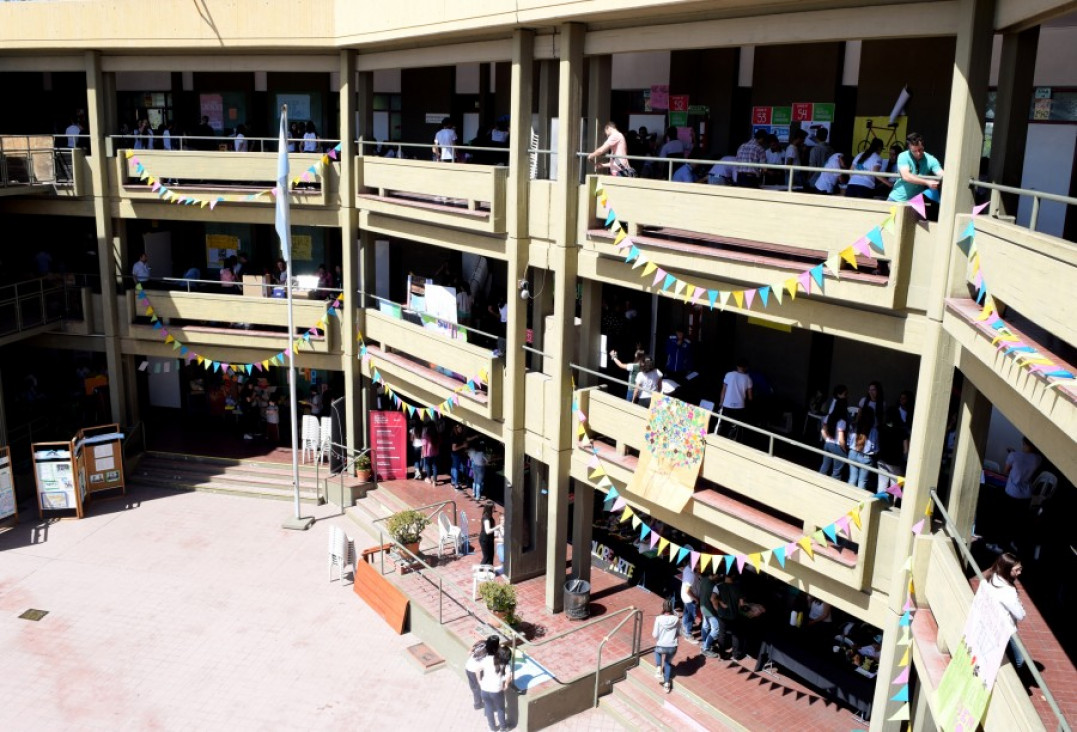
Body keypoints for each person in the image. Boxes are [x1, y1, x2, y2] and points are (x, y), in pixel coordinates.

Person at [982, 553, 1027, 669]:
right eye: (1017, 570)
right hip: (1004, 627)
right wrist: (1019, 604)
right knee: (1019, 659)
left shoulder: (992, 577)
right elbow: (1021, 615)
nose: (1019, 573)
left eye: (1020, 569)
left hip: (991, 621)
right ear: (1007, 569)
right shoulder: (1008, 591)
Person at [888, 132, 944, 203]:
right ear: (909, 148)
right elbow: (906, 176)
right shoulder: (903, 156)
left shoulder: (931, 159)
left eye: (920, 150)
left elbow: (941, 173)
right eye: (914, 151)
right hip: (896, 199)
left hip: (915, 203)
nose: (918, 153)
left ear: (923, 146)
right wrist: (927, 182)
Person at [477, 637, 510, 731]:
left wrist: (480, 681)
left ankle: (492, 727)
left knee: (488, 707)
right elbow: (508, 676)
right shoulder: (502, 661)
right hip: (496, 690)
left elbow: (477, 670)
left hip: (484, 689)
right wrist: (506, 684)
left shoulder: (485, 659)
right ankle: (503, 728)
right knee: (500, 709)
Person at [714, 572, 747, 660]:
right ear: (733, 576)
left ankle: (722, 654)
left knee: (722, 633)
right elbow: (742, 604)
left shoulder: (718, 586)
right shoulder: (738, 587)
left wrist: (718, 607)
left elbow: (712, 598)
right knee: (735, 635)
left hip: (722, 615)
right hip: (734, 615)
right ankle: (736, 654)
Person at [847, 406, 879, 490]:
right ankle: (858, 501)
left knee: (852, 479)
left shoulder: (854, 426)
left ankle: (848, 497)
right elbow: (875, 448)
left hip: (852, 453)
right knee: (862, 481)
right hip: (866, 457)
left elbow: (848, 441)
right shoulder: (874, 430)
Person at [652, 598, 680, 693]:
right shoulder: (676, 619)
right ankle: (667, 684)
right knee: (668, 663)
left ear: (663, 608)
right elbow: (679, 632)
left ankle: (659, 667)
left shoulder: (659, 619)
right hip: (672, 646)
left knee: (656, 651)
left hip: (661, 645)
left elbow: (654, 635)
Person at [719, 359, 753, 438]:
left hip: (727, 404)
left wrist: (721, 402)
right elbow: (750, 397)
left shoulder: (729, 375)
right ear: (746, 367)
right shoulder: (748, 379)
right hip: (740, 406)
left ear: (737, 366)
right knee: (735, 429)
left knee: (724, 425)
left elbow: (723, 390)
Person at [819, 396, 850, 479]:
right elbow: (841, 440)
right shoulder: (842, 421)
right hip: (837, 446)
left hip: (828, 444)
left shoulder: (828, 417)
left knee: (824, 466)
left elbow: (823, 431)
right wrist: (845, 450)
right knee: (836, 472)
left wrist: (828, 440)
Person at [465, 635, 499, 711]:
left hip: (468, 667)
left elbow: (469, 652)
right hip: (475, 671)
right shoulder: (490, 652)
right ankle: (478, 704)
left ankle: (478, 701)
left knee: (473, 687)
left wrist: (474, 655)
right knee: (478, 688)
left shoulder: (481, 643)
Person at [699, 569, 723, 659]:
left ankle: (704, 643)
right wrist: (718, 611)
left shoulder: (704, 579)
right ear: (713, 574)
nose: (719, 577)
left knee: (705, 626)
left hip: (703, 607)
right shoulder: (714, 587)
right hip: (710, 611)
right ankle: (706, 648)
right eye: (718, 575)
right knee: (715, 629)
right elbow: (714, 600)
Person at [680, 557, 700, 643]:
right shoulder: (691, 576)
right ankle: (688, 634)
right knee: (691, 616)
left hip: (685, 597)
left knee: (686, 613)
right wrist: (695, 599)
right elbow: (688, 590)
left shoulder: (687, 568)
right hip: (689, 599)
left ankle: (684, 627)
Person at [479, 502, 502, 566]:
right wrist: (497, 526)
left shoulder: (490, 516)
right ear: (490, 508)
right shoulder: (486, 518)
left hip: (490, 539)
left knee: (491, 555)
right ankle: (481, 570)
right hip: (485, 540)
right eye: (494, 507)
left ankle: (490, 569)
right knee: (486, 557)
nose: (495, 508)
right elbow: (488, 531)